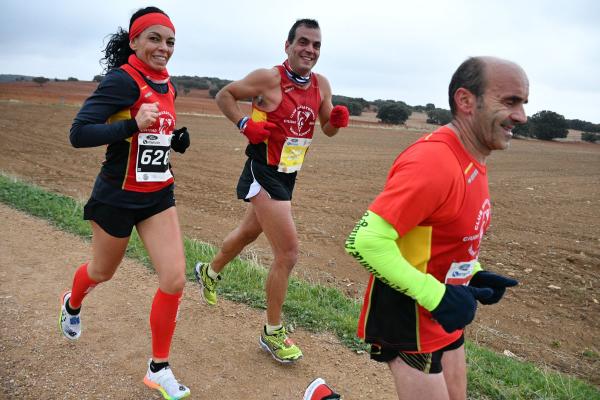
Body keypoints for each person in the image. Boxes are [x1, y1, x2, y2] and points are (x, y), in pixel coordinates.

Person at [344, 56, 527, 400]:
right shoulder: (434, 162)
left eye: (523, 103)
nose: (521, 116)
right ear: (466, 101)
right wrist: (436, 295)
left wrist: (473, 272)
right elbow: (364, 241)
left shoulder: (472, 158)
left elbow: (443, 235)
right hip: (410, 309)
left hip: (445, 302)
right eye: (510, 101)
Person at [194, 18, 350, 363]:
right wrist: (244, 124)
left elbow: (326, 128)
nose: (310, 50)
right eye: (304, 42)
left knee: (248, 233)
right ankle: (272, 333)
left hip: (289, 173)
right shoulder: (269, 78)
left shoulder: (321, 84)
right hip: (262, 170)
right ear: (288, 45)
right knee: (288, 253)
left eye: (317, 45)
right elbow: (226, 95)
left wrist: (335, 120)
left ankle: (210, 271)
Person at [58, 7, 191, 399]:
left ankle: (158, 368)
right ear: (134, 41)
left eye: (169, 42)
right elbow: (78, 134)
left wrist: (172, 141)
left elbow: (152, 137)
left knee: (175, 278)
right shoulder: (122, 81)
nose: (163, 48)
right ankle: (73, 300)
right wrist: (132, 125)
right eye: (154, 38)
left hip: (157, 195)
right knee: (102, 271)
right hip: (117, 197)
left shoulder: (168, 84)